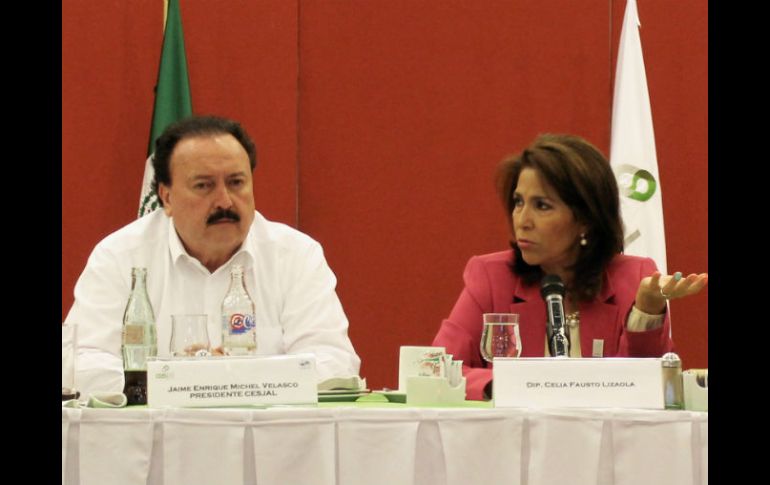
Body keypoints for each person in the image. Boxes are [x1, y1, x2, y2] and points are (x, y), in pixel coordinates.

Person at [64, 115, 360, 397]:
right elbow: (81, 363)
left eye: (236, 182)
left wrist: (234, 379)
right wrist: (178, 383)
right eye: (204, 186)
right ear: (166, 197)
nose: (224, 201)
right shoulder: (120, 257)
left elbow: (333, 362)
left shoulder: (295, 255)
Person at [432, 134, 707, 400]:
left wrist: (646, 313)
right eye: (518, 202)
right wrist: (509, 386)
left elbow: (650, 387)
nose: (522, 220)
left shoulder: (633, 279)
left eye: (542, 206)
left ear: (585, 219)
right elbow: (437, 369)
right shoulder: (491, 277)